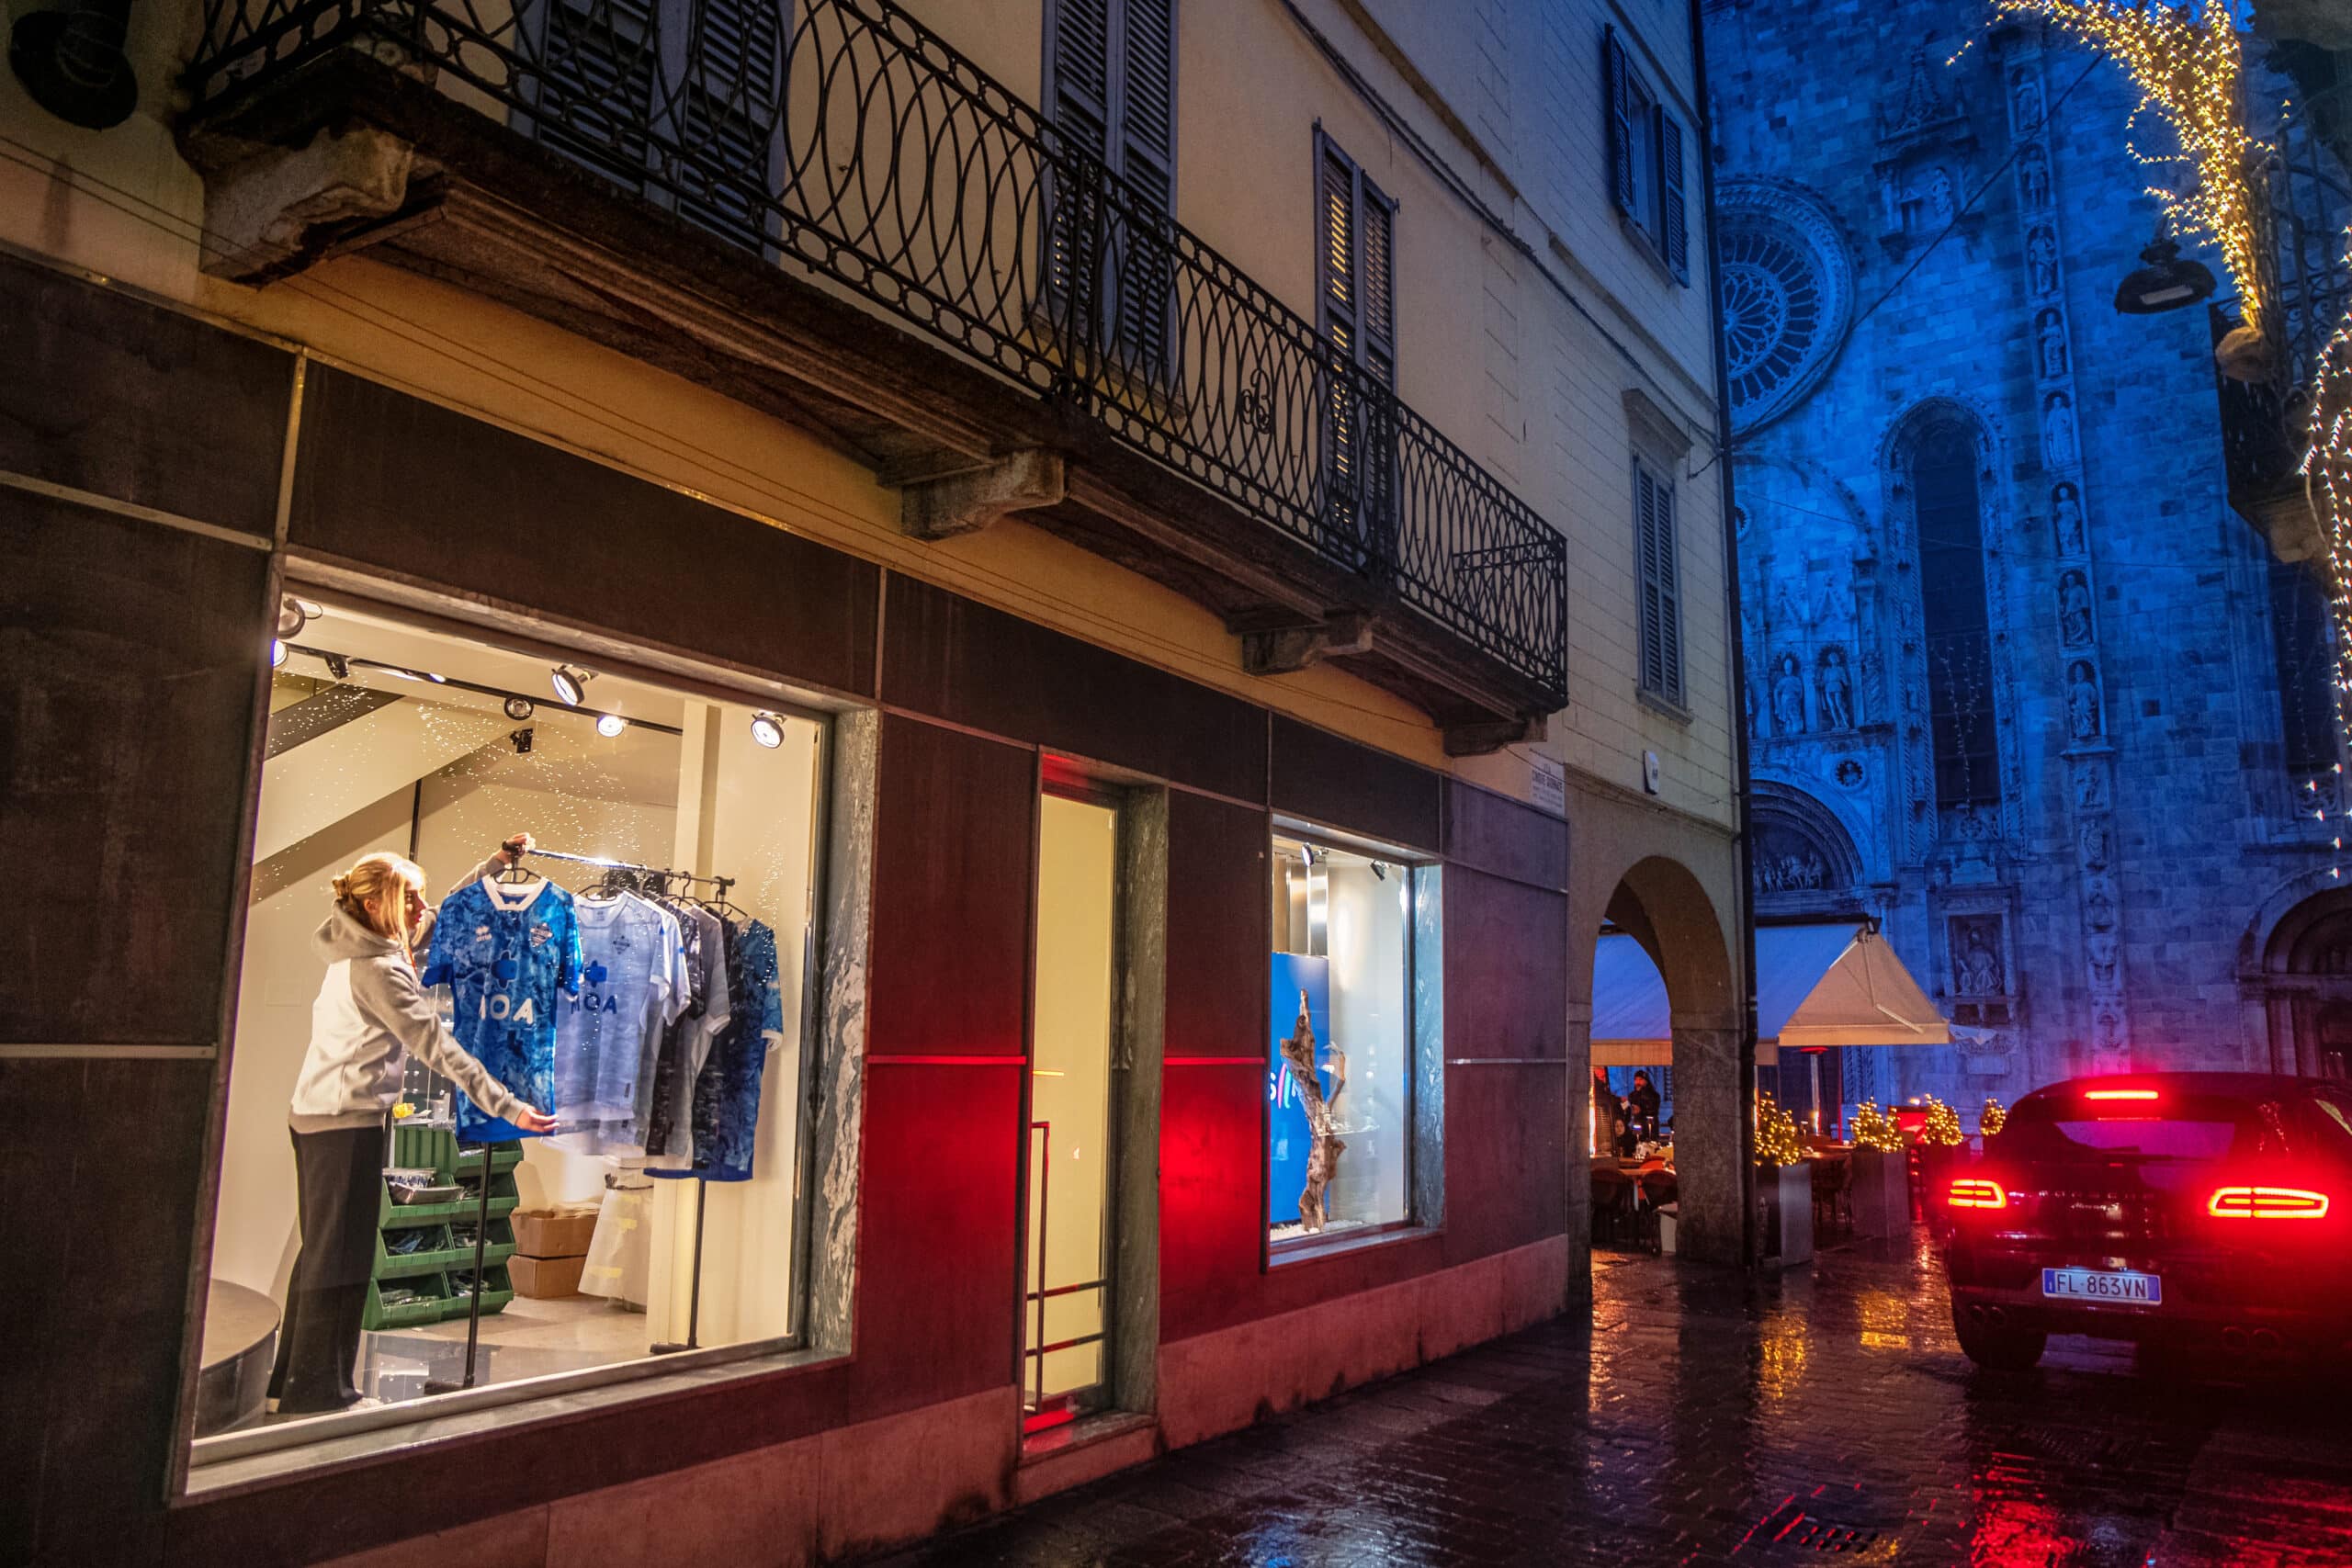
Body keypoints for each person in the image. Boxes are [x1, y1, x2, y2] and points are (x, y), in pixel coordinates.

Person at [270, 835, 557, 1416]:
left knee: (321, 1252)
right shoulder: (378, 969)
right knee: (341, 1258)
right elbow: (438, 1048)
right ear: (375, 904)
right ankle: (321, 1394)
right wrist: (508, 1107)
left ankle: (289, 1386)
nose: (419, 908)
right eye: (409, 898)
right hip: (343, 1122)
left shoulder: (361, 943)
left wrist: (495, 865)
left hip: (321, 1116)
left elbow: (442, 915)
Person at [1627, 1071, 1663, 1143]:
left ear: (1646, 1081)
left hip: (1650, 1129)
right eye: (1636, 1080)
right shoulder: (1632, 1095)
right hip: (1637, 1127)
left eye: (1640, 1079)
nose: (1638, 1082)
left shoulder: (1654, 1095)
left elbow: (1654, 1111)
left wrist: (1641, 1110)